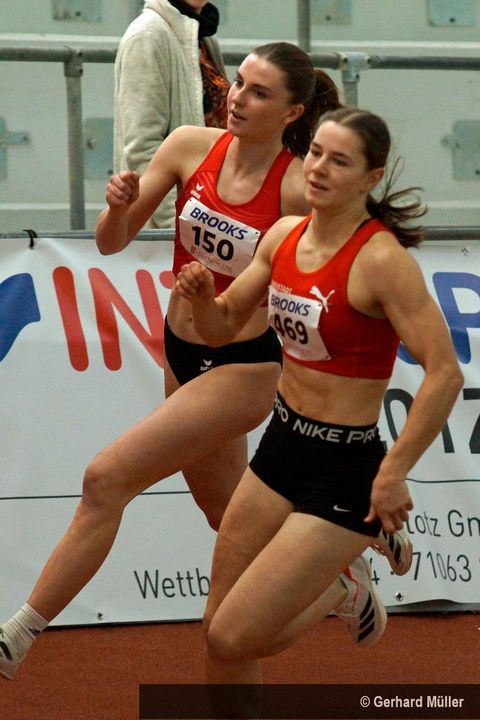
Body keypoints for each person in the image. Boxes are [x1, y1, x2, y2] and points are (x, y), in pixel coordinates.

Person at [0, 41, 361, 682]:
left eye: (257, 92)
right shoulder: (189, 145)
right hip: (181, 349)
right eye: (237, 82)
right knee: (227, 518)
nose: (236, 98)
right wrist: (118, 205)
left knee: (106, 477)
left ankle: (16, 636)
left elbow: (318, 304)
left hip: (244, 366)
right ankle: (337, 578)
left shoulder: (296, 192)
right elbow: (111, 243)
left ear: (291, 112)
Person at [174, 107, 463, 706]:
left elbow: (444, 374)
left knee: (233, 637)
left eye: (340, 161)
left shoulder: (381, 261)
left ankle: (338, 588)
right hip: (281, 448)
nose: (319, 168)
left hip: (346, 468)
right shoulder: (283, 235)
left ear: (370, 178)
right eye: (316, 154)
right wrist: (202, 299)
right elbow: (223, 327)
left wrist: (393, 474)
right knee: (215, 630)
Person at [114, 0, 229, 228]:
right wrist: (177, 226)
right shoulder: (148, 35)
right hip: (181, 225)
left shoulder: (202, 37)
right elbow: (142, 148)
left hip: (211, 218)